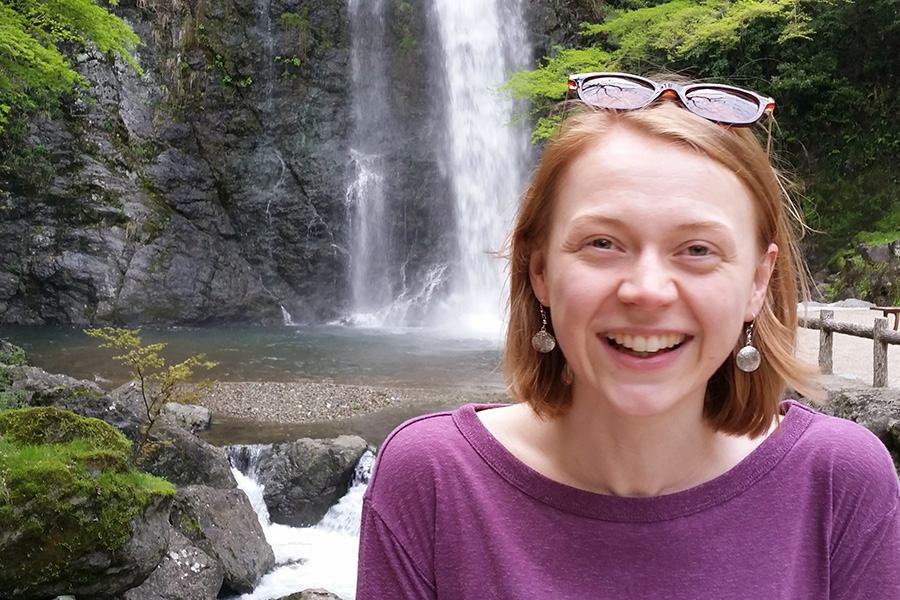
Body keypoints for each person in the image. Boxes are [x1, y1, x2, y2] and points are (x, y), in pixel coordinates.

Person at [356, 72, 900, 599]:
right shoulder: (431, 478)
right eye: (602, 243)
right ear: (539, 270)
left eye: (697, 250)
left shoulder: (839, 483)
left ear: (758, 282)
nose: (647, 291)